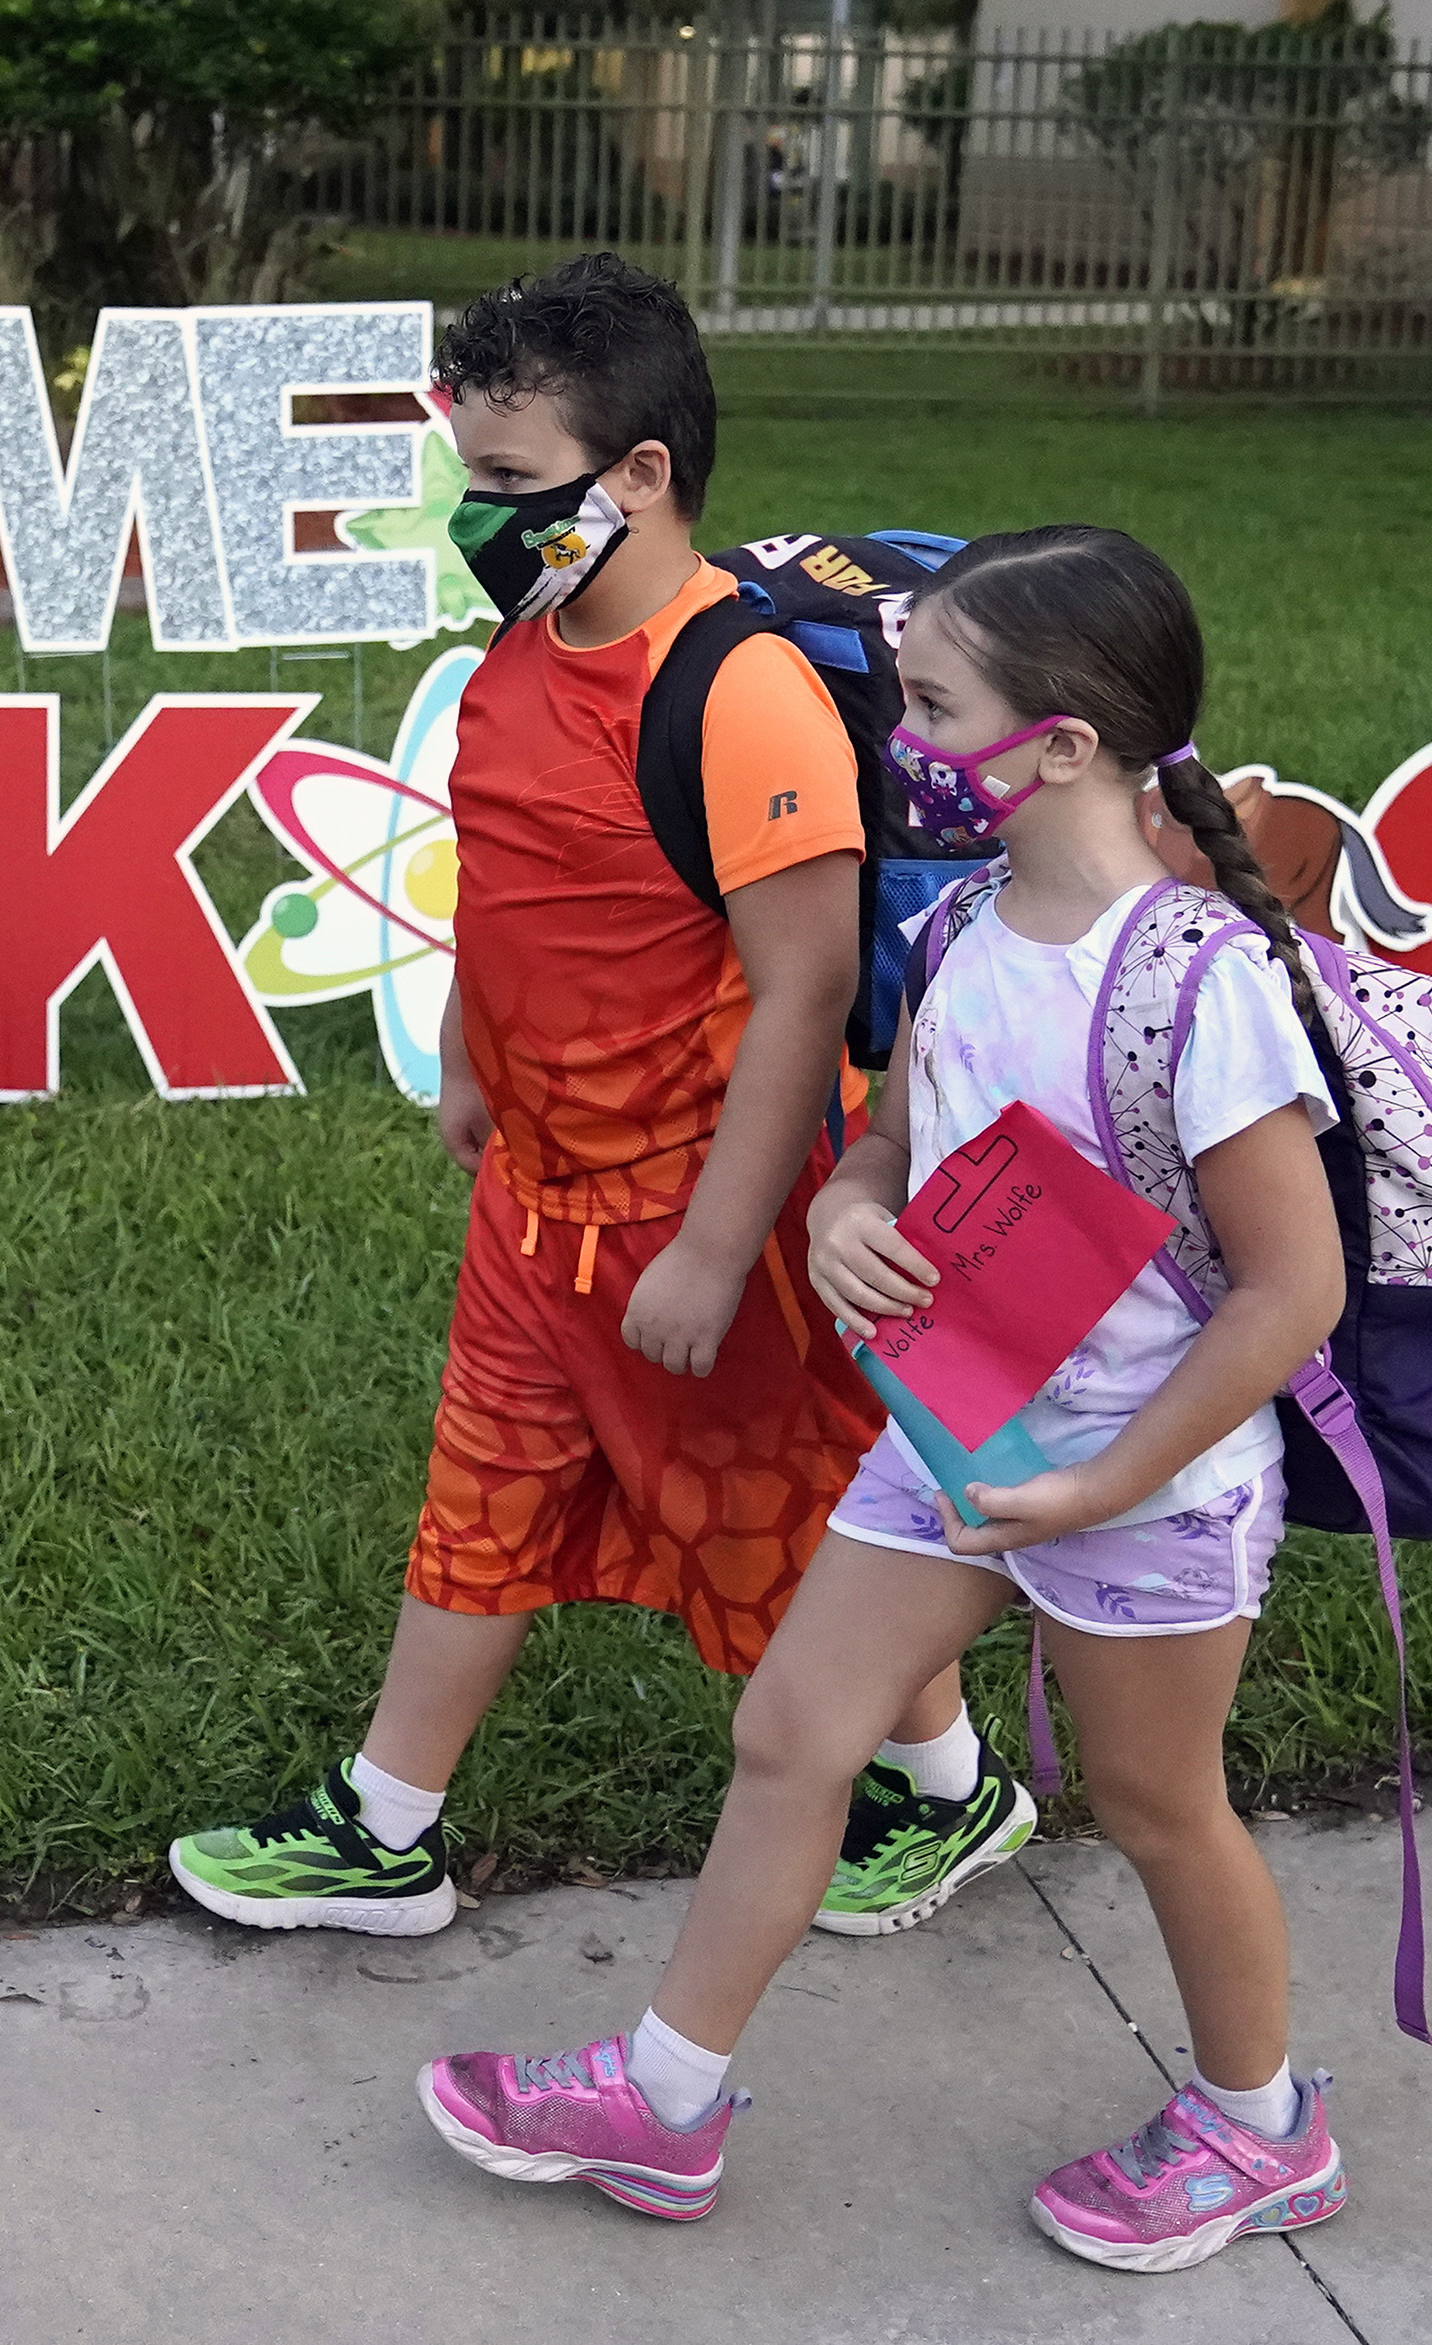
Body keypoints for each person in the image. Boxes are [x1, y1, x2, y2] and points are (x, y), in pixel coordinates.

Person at [415, 525, 1358, 2268]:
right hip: (955, 1438)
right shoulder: (977, 924)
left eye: (927, 703)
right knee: (789, 1732)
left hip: (1145, 1486)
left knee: (1159, 1807)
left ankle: (1260, 2125)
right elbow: (889, 1143)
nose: (894, 735)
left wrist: (1100, 1484)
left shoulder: (1202, 985)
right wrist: (850, 1218)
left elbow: (1296, 1291)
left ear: (1059, 742)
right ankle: (665, 2097)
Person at [169, 253, 1021, 1945]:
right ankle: (385, 1823)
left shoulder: (741, 690)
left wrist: (713, 1250)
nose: (481, 517)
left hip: (704, 1205)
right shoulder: (526, 649)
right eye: (467, 476)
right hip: (537, 1199)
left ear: (639, 474)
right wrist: (478, 1062)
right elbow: (506, 875)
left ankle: (952, 1788)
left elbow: (799, 986)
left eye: (508, 480)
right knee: (479, 1496)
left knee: (776, 1529)